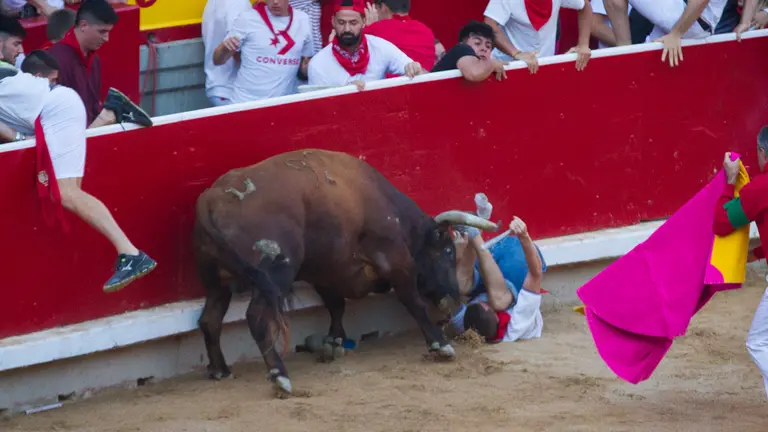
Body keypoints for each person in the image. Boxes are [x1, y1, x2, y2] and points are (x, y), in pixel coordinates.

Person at [0, 46, 157, 292]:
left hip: (54, 111)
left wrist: (18, 139)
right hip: (52, 111)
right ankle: (109, 113)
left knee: (66, 193)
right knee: (72, 193)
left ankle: (130, 253)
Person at [714, 128, 768, 400]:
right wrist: (757, 254)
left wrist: (729, 180)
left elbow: (722, 223)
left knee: (759, 342)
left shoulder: (761, 187)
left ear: (761, 152)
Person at [47, 0, 152, 128]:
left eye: (108, 32)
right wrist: (102, 120)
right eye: (102, 31)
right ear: (84, 25)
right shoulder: (56, 59)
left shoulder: (94, 59)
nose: (107, 39)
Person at [447, 216, 546, 343]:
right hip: (515, 256)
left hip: (489, 259)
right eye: (484, 302)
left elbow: (446, 289)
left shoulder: (465, 323)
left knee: (460, 286)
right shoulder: (518, 323)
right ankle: (475, 235)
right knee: (499, 301)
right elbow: (535, 273)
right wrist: (524, 236)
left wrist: (458, 255)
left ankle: (473, 230)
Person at [307, 0, 424, 91]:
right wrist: (345, 92)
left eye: (353, 23)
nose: (347, 29)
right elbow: (320, 112)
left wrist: (414, 69)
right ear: (333, 22)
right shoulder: (318, 64)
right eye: (341, 22)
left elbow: (417, 72)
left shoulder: (379, 46)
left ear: (364, 21)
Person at [213, 0, 314, 103]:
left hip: (283, 103)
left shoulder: (303, 20)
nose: (275, 2)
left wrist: (306, 69)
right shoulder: (247, 18)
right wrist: (225, 48)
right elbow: (217, 61)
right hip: (245, 103)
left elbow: (305, 63)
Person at [603, 0, 757, 67]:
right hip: (685, 18)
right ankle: (626, 57)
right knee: (648, 71)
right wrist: (745, 22)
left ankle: (624, 52)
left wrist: (676, 34)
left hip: (693, 20)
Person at [483, 0, 593, 74]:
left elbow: (585, 6)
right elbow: (489, 24)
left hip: (543, 66)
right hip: (507, 67)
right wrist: (516, 53)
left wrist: (583, 44)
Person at [202, 0, 251, 107]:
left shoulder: (212, 3)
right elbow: (236, 48)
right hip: (231, 89)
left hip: (217, 85)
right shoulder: (238, 3)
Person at [363, 0, 437, 71]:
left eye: (376, 8)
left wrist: (369, 28)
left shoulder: (375, 30)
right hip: (426, 81)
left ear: (383, 7)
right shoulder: (426, 30)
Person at [431, 20, 507, 83]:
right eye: (477, 43)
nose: (484, 48)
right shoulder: (461, 49)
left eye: (488, 46)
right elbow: (473, 74)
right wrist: (492, 64)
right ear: (462, 43)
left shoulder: (485, 68)